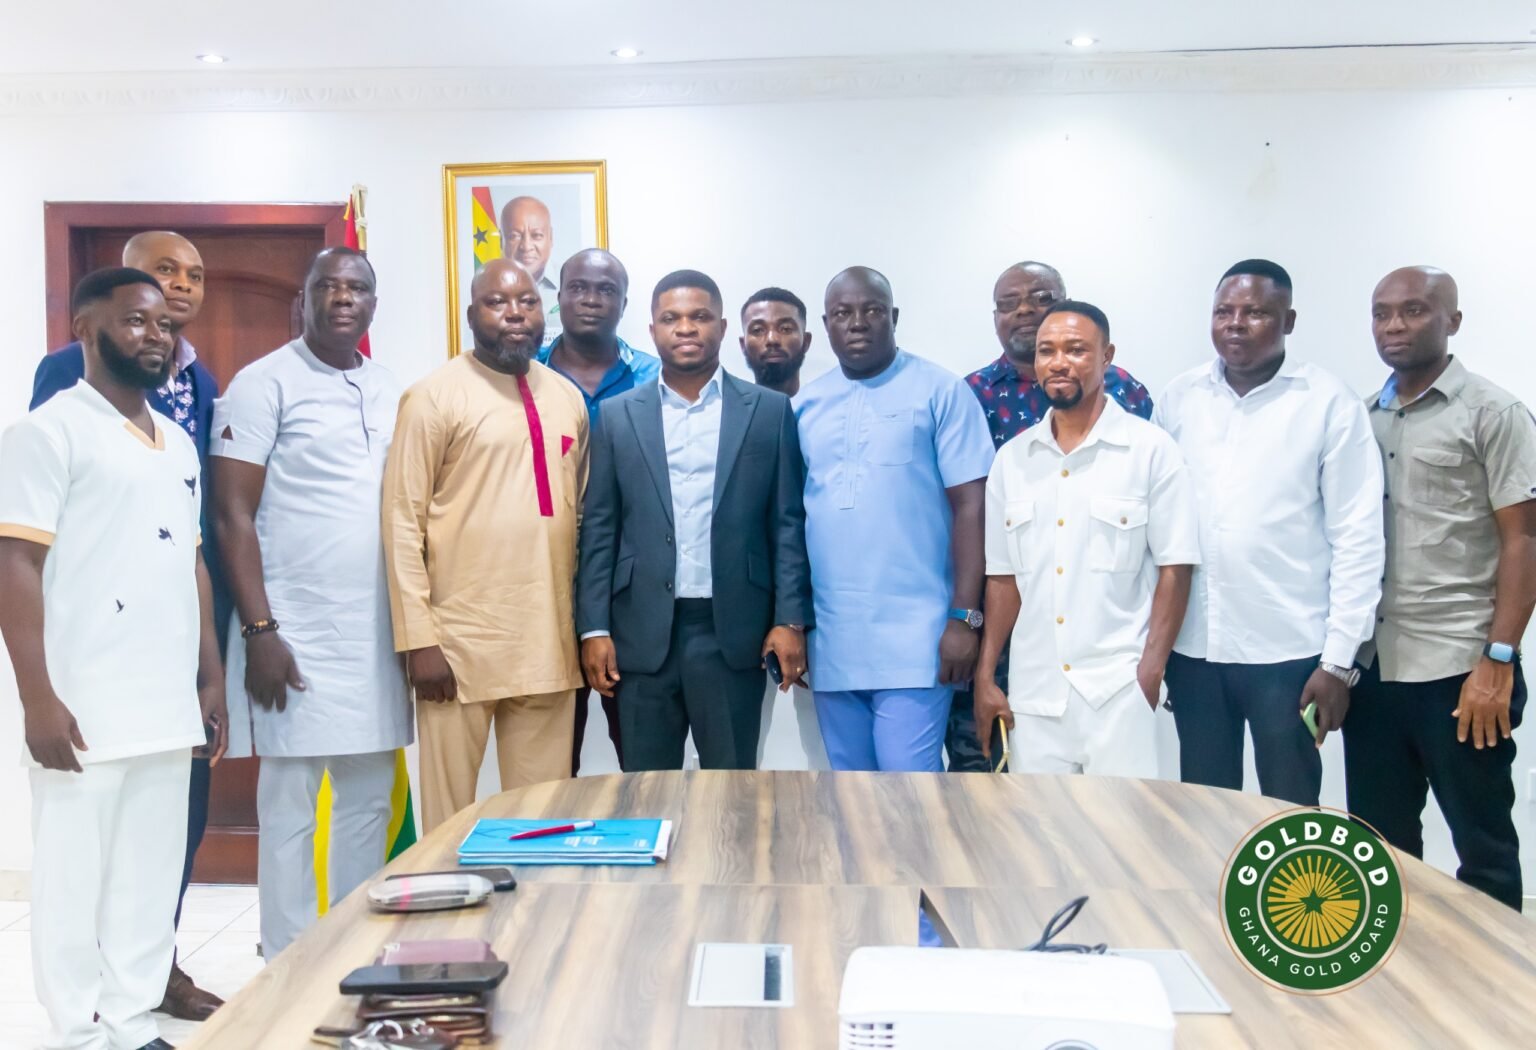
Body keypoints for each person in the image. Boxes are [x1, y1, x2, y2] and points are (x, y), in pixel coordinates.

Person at [0, 267, 227, 1050]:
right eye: (135, 321)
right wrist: (37, 698)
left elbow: (192, 562)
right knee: (72, 883)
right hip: (82, 705)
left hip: (164, 702)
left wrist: (210, 674)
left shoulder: (177, 443)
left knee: (147, 877)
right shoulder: (47, 433)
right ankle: (78, 1032)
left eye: (164, 324)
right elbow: (15, 564)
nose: (155, 336)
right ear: (84, 329)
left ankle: (130, 1024)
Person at [211, 247, 412, 957]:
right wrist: (261, 630)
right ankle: (287, 958)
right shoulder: (261, 383)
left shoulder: (391, 389)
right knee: (289, 803)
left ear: (373, 304)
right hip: (290, 630)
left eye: (357, 287)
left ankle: (350, 949)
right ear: (303, 300)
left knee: (369, 800)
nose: (342, 297)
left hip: (375, 633)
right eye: (327, 285)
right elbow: (231, 515)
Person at [1155, 259, 1384, 805]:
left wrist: (1337, 662)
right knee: (1204, 809)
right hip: (1194, 650)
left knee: (1290, 811)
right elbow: (1157, 526)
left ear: (1289, 320)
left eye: (1255, 312)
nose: (1235, 323)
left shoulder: (1328, 403)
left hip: (1289, 653)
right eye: (1223, 312)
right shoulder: (1179, 398)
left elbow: (1357, 537)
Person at [1346, 266, 1536, 910]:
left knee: (1484, 851)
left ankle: (1497, 974)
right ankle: (1400, 971)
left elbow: (1524, 540)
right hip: (1375, 671)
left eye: (1414, 310)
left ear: (1452, 320)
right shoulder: (1361, 419)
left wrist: (1498, 661)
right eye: (1381, 313)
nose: (1394, 326)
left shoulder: (1494, 413)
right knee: (1380, 853)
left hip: (1462, 671)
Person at [576, 270, 813, 770]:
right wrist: (593, 628)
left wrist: (789, 620)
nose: (686, 328)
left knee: (732, 791)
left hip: (734, 632)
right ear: (653, 330)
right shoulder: (618, 416)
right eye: (671, 318)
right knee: (646, 789)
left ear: (722, 328)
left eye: (700, 316)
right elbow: (600, 529)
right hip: (640, 633)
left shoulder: (768, 412)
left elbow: (787, 524)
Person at [384, 259, 587, 832]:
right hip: (457, 647)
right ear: (471, 316)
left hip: (547, 643)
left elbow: (581, 518)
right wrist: (418, 640)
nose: (515, 314)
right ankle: (445, 896)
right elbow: (401, 522)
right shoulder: (432, 397)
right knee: (449, 824)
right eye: (497, 302)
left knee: (542, 820)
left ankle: (534, 897)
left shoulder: (566, 397)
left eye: (528, 302)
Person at [973, 301, 1199, 776]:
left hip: (1119, 693)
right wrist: (986, 674)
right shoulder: (1013, 460)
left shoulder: (1150, 450)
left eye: (1076, 350)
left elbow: (1176, 568)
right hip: (1034, 696)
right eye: (1047, 351)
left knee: (1124, 823)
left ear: (1106, 356)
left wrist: (1150, 672)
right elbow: (1003, 579)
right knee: (1040, 824)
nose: (1059, 362)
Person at [949, 260, 1155, 772]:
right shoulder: (969, 394)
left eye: (1040, 298)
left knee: (1112, 796)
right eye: (1008, 303)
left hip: (1102, 626)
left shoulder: (1126, 392)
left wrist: (1151, 666)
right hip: (996, 607)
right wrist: (968, 621)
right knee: (986, 766)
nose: (1024, 311)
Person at [796, 266, 994, 772]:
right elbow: (789, 523)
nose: (858, 322)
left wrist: (964, 619)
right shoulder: (806, 405)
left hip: (918, 639)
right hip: (833, 640)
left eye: (872, 310)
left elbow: (972, 507)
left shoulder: (941, 391)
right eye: (843, 313)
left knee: (910, 794)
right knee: (850, 792)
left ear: (894, 317)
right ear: (826, 324)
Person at [537, 248, 660, 775]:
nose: (591, 299)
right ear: (559, 298)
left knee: (642, 751)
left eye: (606, 290)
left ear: (624, 303)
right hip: (545, 578)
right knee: (549, 757)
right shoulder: (526, 374)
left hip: (631, 588)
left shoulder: (655, 377)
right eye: (579, 288)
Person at [738, 286, 827, 769]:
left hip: (826, 608)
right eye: (758, 329)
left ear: (807, 340)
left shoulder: (827, 410)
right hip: (746, 609)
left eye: (785, 327)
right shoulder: (728, 418)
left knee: (827, 753)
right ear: (742, 343)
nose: (771, 338)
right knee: (738, 753)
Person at [500, 196, 560, 345]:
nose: (526, 246)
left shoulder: (569, 285)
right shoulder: (488, 289)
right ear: (501, 240)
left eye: (536, 235)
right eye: (514, 236)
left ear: (551, 238)